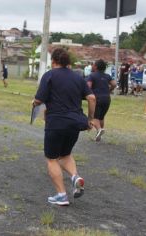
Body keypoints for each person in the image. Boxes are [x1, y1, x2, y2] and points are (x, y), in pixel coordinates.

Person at [33, 48, 96, 206]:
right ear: (68, 62)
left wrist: (34, 103)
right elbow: (92, 98)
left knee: (52, 159)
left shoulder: (49, 75)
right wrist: (90, 119)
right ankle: (75, 177)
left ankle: (61, 195)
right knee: (66, 155)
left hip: (56, 123)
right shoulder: (78, 78)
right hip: (75, 123)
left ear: (54, 61)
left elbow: (39, 100)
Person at [87, 59, 117, 142]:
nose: (92, 66)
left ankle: (100, 129)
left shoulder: (92, 75)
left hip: (97, 98)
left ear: (96, 66)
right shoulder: (107, 76)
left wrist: (88, 94)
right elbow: (114, 84)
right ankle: (99, 134)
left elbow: (88, 86)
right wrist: (109, 90)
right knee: (101, 117)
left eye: (93, 64)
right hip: (107, 98)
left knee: (94, 117)